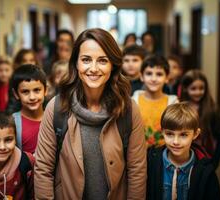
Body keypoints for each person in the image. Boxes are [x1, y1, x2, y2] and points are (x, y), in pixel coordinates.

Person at [34, 28, 147, 199]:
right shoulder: (56, 108)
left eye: (102, 60)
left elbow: (137, 171)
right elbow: (43, 168)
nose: (93, 68)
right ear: (76, 63)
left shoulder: (129, 109)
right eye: (86, 60)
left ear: (113, 65)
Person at [147, 102, 220, 200]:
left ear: (195, 134)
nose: (175, 141)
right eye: (169, 134)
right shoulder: (151, 163)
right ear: (162, 132)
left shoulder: (206, 170)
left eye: (183, 135)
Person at [180, 70, 220, 168]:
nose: (198, 92)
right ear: (185, 88)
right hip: (183, 157)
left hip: (206, 157)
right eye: (193, 88)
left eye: (201, 88)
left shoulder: (212, 109)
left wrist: (215, 162)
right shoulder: (180, 107)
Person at [132, 54, 178, 147]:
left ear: (167, 78)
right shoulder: (133, 101)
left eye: (159, 74)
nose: (153, 79)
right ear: (141, 76)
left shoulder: (173, 103)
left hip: (164, 154)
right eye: (149, 73)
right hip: (139, 154)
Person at [12, 64, 47, 154]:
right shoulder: (12, 123)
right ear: (16, 94)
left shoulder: (54, 119)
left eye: (37, 90)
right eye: (25, 92)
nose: (32, 97)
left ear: (45, 90)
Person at [6, 48, 40, 114]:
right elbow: (12, 103)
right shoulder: (15, 80)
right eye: (24, 61)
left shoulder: (40, 78)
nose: (28, 63)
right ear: (18, 63)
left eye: (31, 60)